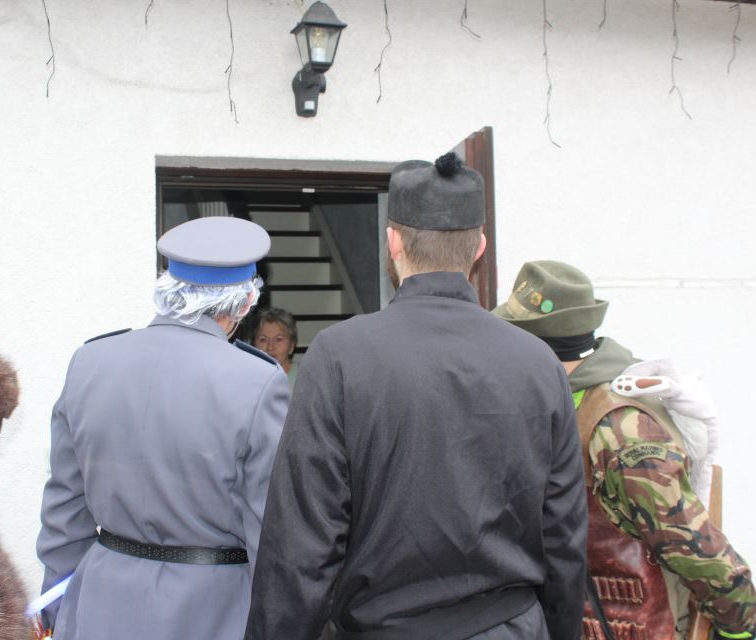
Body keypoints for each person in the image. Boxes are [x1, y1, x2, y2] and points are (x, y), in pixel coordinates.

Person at [244, 153, 588, 640]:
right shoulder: (539, 363)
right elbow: (564, 535)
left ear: (393, 242)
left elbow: (301, 545)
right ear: (479, 247)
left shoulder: (339, 356)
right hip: (511, 628)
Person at [37, 216, 290, 640]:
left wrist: (56, 605)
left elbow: (64, 510)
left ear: (166, 289)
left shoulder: (90, 361)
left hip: (101, 603)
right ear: (246, 302)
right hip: (213, 611)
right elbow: (270, 529)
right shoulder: (259, 381)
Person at [492, 260, 756, 639]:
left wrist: (740, 627)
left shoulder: (621, 429)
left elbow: (693, 547)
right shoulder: (559, 403)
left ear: (540, 350)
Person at [252, 307, 299, 390]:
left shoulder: (305, 377)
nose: (270, 347)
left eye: (278, 339)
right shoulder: (245, 378)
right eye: (263, 339)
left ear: (291, 345)